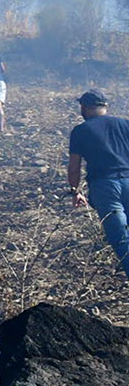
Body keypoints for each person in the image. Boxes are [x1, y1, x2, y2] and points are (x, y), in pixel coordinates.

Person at [69, 89, 129, 278]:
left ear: (84, 107)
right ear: (105, 107)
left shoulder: (80, 131)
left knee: (121, 239)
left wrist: (75, 191)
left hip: (105, 187)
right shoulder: (125, 124)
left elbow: (74, 167)